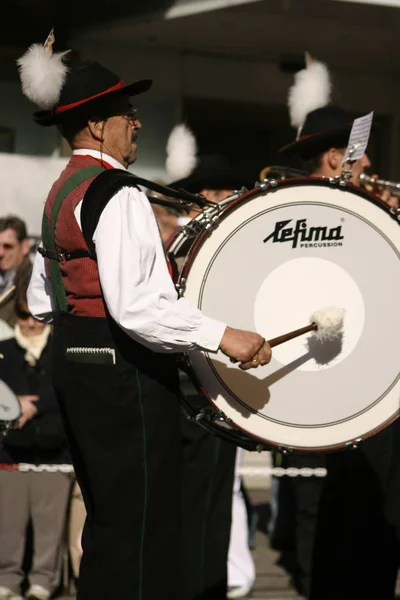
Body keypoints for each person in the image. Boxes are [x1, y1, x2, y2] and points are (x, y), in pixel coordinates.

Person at [18, 33, 271, 600]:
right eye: (127, 114)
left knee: (110, 522)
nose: (136, 123)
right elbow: (136, 308)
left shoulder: (62, 190)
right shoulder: (119, 192)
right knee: (143, 527)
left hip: (75, 361)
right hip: (121, 370)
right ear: (97, 125)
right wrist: (221, 334)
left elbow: (40, 297)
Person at [273, 54, 399, 600]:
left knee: (343, 517)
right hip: (357, 379)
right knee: (362, 516)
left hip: (338, 381)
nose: (370, 161)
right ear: (335, 156)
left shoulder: (307, 210)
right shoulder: (342, 214)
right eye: (360, 152)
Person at [166, 124, 248, 600]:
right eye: (205, 193)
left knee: (214, 505)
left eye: (220, 192)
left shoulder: (239, 251)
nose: (213, 200)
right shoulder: (173, 247)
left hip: (219, 392)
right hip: (175, 387)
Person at [0, 266, 72, 600]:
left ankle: (44, 578)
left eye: (35, 316)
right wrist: (11, 403)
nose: (29, 324)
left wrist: (35, 404)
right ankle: (8, 578)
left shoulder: (61, 349)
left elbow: (68, 388)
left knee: (49, 524)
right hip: (11, 453)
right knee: (9, 526)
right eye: (22, 315)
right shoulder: (5, 351)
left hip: (54, 453)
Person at [0, 216, 31, 327]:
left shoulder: (33, 283)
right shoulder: (5, 277)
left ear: (25, 246)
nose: (1, 253)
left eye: (7, 246)